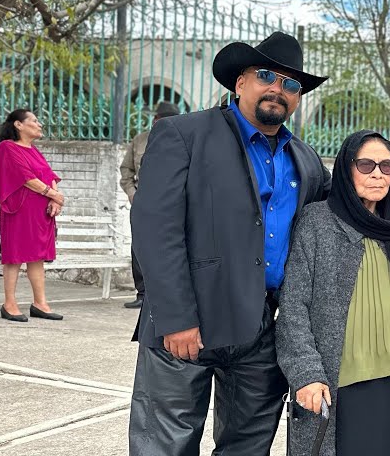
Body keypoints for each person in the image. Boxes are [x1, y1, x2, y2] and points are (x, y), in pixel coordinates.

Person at [128, 31, 332, 456]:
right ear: (240, 83)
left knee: (248, 445)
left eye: (291, 84)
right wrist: (175, 316)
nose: (278, 89)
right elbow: (154, 227)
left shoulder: (305, 158)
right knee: (166, 445)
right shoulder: (184, 134)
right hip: (188, 321)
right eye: (265, 76)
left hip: (259, 325)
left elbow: (344, 202)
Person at [276, 130, 390, 456]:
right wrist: (306, 374)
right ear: (346, 170)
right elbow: (294, 305)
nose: (378, 173)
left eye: (386, 166)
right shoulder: (317, 221)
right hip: (334, 380)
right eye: (366, 164)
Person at [0, 109, 66, 323]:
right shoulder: (7, 148)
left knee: (37, 257)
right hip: (18, 211)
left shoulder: (33, 150)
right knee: (14, 257)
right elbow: (26, 177)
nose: (39, 124)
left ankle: (40, 303)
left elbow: (48, 174)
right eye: (34, 120)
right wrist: (53, 194)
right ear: (18, 124)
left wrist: (55, 199)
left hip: (40, 214)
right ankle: (9, 304)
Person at [119, 100, 182, 309]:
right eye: (163, 119)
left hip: (173, 204)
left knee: (171, 249)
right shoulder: (140, 141)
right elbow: (126, 171)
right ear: (155, 120)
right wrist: (132, 195)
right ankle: (142, 293)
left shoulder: (183, 140)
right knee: (140, 249)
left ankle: (163, 295)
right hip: (143, 203)